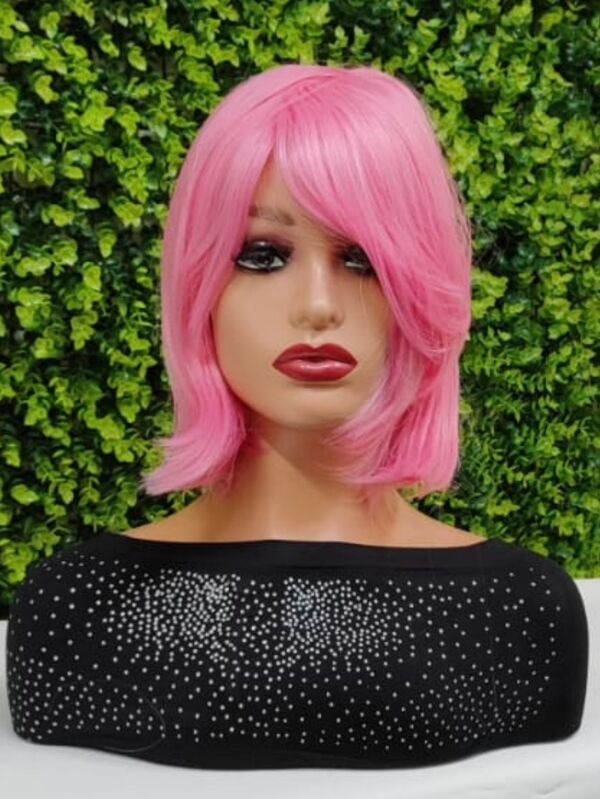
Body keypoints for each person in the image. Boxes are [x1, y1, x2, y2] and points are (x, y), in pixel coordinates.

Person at [6, 63, 588, 770]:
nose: (317, 306)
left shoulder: (519, 613)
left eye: (363, 259)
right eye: (262, 255)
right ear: (199, 288)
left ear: (422, 290)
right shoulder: (76, 610)